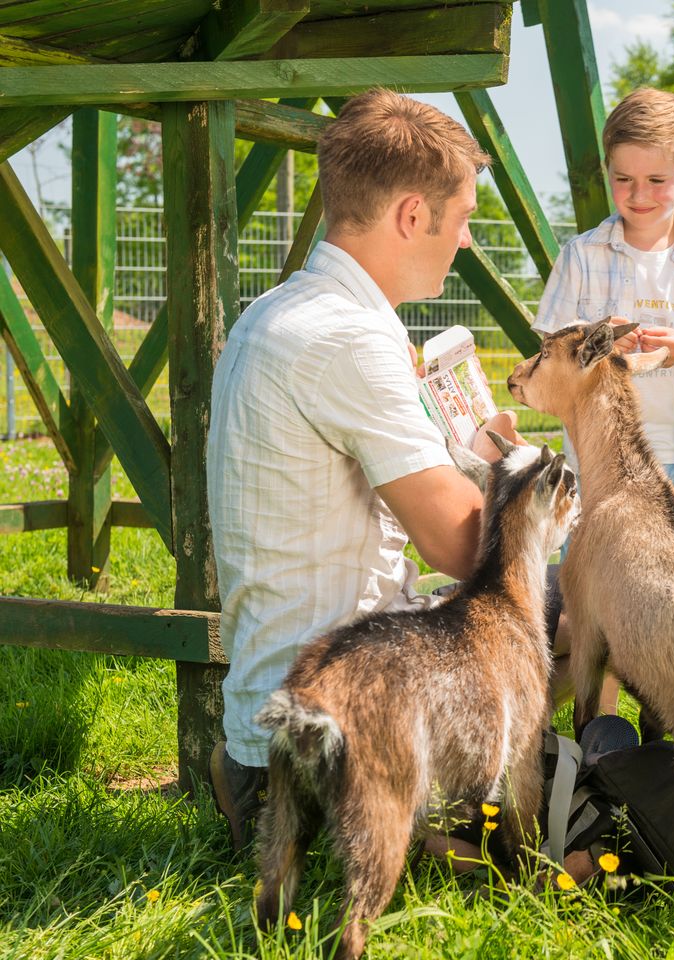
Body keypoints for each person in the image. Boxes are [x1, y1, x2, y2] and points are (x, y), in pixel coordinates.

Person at [206, 88, 516, 853]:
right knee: (570, 620)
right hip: (330, 726)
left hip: (275, 698)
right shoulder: (348, 339)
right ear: (414, 216)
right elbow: (462, 543)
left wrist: (470, 456)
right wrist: (527, 486)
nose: (467, 240)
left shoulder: (278, 311)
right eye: (465, 217)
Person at [533, 87, 674, 528]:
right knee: (598, 570)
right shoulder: (581, 254)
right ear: (607, 172)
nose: (638, 195)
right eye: (623, 179)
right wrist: (594, 335)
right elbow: (548, 347)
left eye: (656, 181)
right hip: (599, 459)